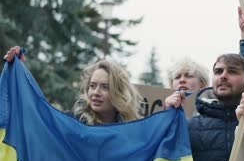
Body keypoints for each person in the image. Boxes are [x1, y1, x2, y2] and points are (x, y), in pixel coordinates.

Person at [3, 47, 142, 125]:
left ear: (118, 92)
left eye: (105, 87)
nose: (96, 92)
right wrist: (18, 72)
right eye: (92, 86)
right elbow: (37, 120)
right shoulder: (72, 123)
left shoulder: (131, 131)